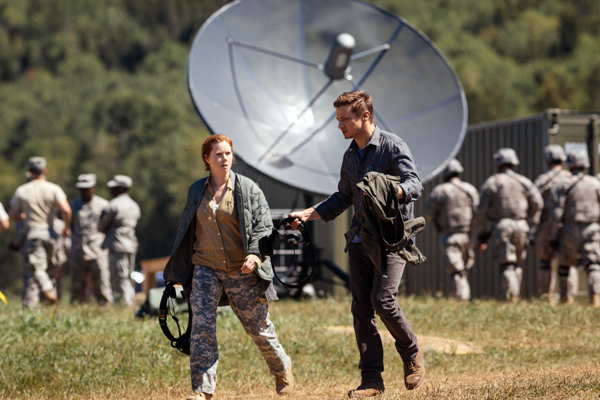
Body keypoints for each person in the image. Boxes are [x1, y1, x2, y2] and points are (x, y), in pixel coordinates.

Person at [288, 91, 425, 397]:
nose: (340, 126)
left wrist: (392, 192)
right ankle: (372, 381)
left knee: (383, 301)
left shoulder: (392, 146)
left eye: (345, 119)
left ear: (364, 116)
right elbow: (343, 196)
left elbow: (415, 183)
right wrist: (308, 214)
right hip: (361, 239)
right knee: (361, 309)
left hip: (391, 239)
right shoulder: (351, 155)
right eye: (338, 120)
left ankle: (412, 353)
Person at [162, 134, 293, 400]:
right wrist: (178, 271)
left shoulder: (248, 188)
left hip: (241, 270)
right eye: (218, 154)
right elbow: (186, 232)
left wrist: (255, 255)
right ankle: (202, 390)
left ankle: (282, 369)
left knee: (259, 329)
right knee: (201, 329)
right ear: (207, 159)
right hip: (205, 269)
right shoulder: (196, 190)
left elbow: (264, 227)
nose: (224, 159)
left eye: (228, 154)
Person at [475, 148, 543, 302]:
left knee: (507, 264)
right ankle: (516, 294)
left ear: (498, 163)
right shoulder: (524, 181)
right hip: (522, 225)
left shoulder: (493, 182)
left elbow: (481, 210)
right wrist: (530, 224)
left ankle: (512, 297)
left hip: (503, 226)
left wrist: (483, 233)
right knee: (517, 263)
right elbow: (537, 203)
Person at [8, 157, 72, 306]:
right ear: (45, 170)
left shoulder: (22, 190)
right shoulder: (54, 189)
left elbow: (11, 215)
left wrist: (21, 216)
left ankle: (47, 288)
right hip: (51, 234)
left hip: (34, 233)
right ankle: (51, 302)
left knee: (36, 266)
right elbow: (67, 210)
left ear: (29, 172)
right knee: (51, 270)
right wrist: (66, 228)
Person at [548, 151, 600, 307]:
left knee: (565, 265)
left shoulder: (563, 184)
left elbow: (557, 213)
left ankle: (566, 299)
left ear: (569, 164)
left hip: (570, 230)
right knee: (594, 265)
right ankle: (596, 298)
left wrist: (553, 235)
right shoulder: (595, 183)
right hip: (592, 228)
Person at [425, 159, 479, 301]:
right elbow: (478, 212)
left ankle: (461, 298)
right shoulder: (469, 189)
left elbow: (429, 212)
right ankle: (463, 296)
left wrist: (438, 221)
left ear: (444, 174)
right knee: (463, 268)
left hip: (449, 235)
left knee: (456, 269)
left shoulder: (440, 190)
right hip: (468, 235)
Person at [534, 145, 571, 302]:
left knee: (544, 262)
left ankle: (546, 298)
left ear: (547, 160)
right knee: (567, 264)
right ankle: (568, 299)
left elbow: (535, 204)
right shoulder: (572, 178)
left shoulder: (543, 180)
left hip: (547, 226)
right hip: (568, 226)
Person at [70, 174, 113, 305]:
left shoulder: (104, 205)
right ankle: (77, 310)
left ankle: (106, 309)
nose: (84, 191)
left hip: (97, 249)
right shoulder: (73, 206)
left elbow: (108, 227)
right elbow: (71, 225)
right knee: (77, 285)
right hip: (79, 250)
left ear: (93, 188)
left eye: (87, 188)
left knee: (102, 283)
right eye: (81, 189)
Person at [98, 175, 141, 305]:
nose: (111, 190)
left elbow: (101, 226)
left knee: (119, 277)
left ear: (121, 188)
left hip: (117, 245)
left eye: (114, 188)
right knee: (128, 276)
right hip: (131, 244)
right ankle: (129, 301)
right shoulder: (134, 205)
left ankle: (125, 305)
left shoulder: (112, 205)